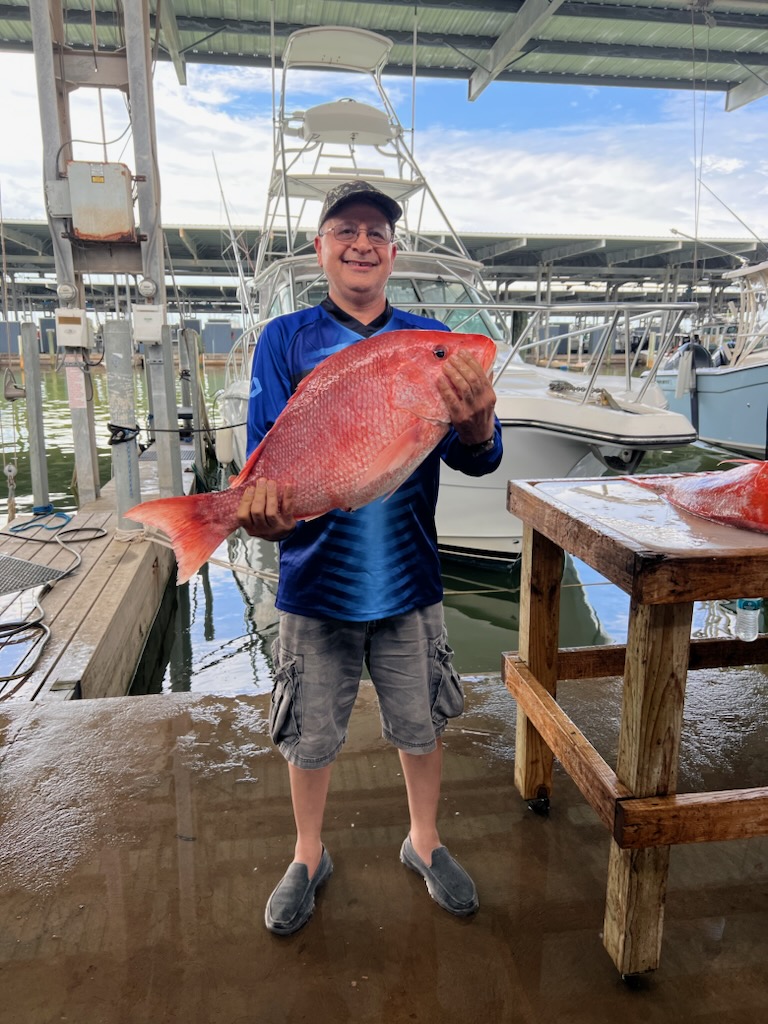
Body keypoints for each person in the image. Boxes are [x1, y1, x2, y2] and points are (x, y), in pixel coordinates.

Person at [236, 179, 502, 936]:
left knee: (422, 725)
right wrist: (255, 513)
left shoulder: (429, 341)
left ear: (393, 252)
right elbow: (268, 463)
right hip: (314, 583)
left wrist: (480, 425)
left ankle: (424, 842)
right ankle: (307, 853)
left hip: (410, 578)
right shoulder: (284, 338)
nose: (362, 242)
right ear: (321, 247)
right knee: (309, 735)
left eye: (378, 232)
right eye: (345, 229)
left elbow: (481, 461)